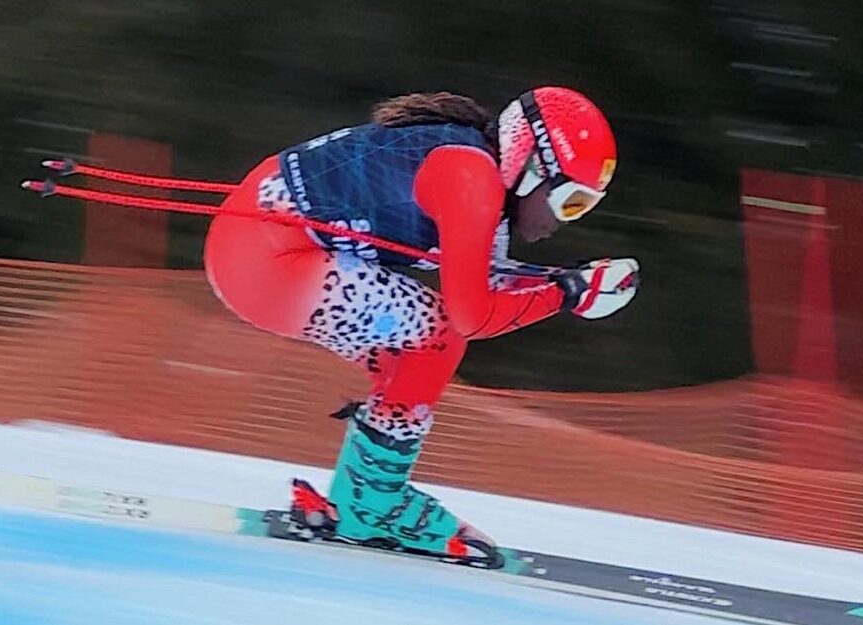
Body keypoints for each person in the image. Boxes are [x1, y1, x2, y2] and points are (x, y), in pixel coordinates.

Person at [202, 86, 638, 563]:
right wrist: (567, 295)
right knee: (437, 334)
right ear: (531, 166)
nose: (563, 222)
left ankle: (366, 499)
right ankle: (372, 505)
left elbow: (484, 283)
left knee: (416, 348)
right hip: (267, 260)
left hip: (256, 249)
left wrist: (564, 284)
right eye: (570, 201)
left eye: (584, 208)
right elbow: (472, 316)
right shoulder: (472, 178)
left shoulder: (474, 170)